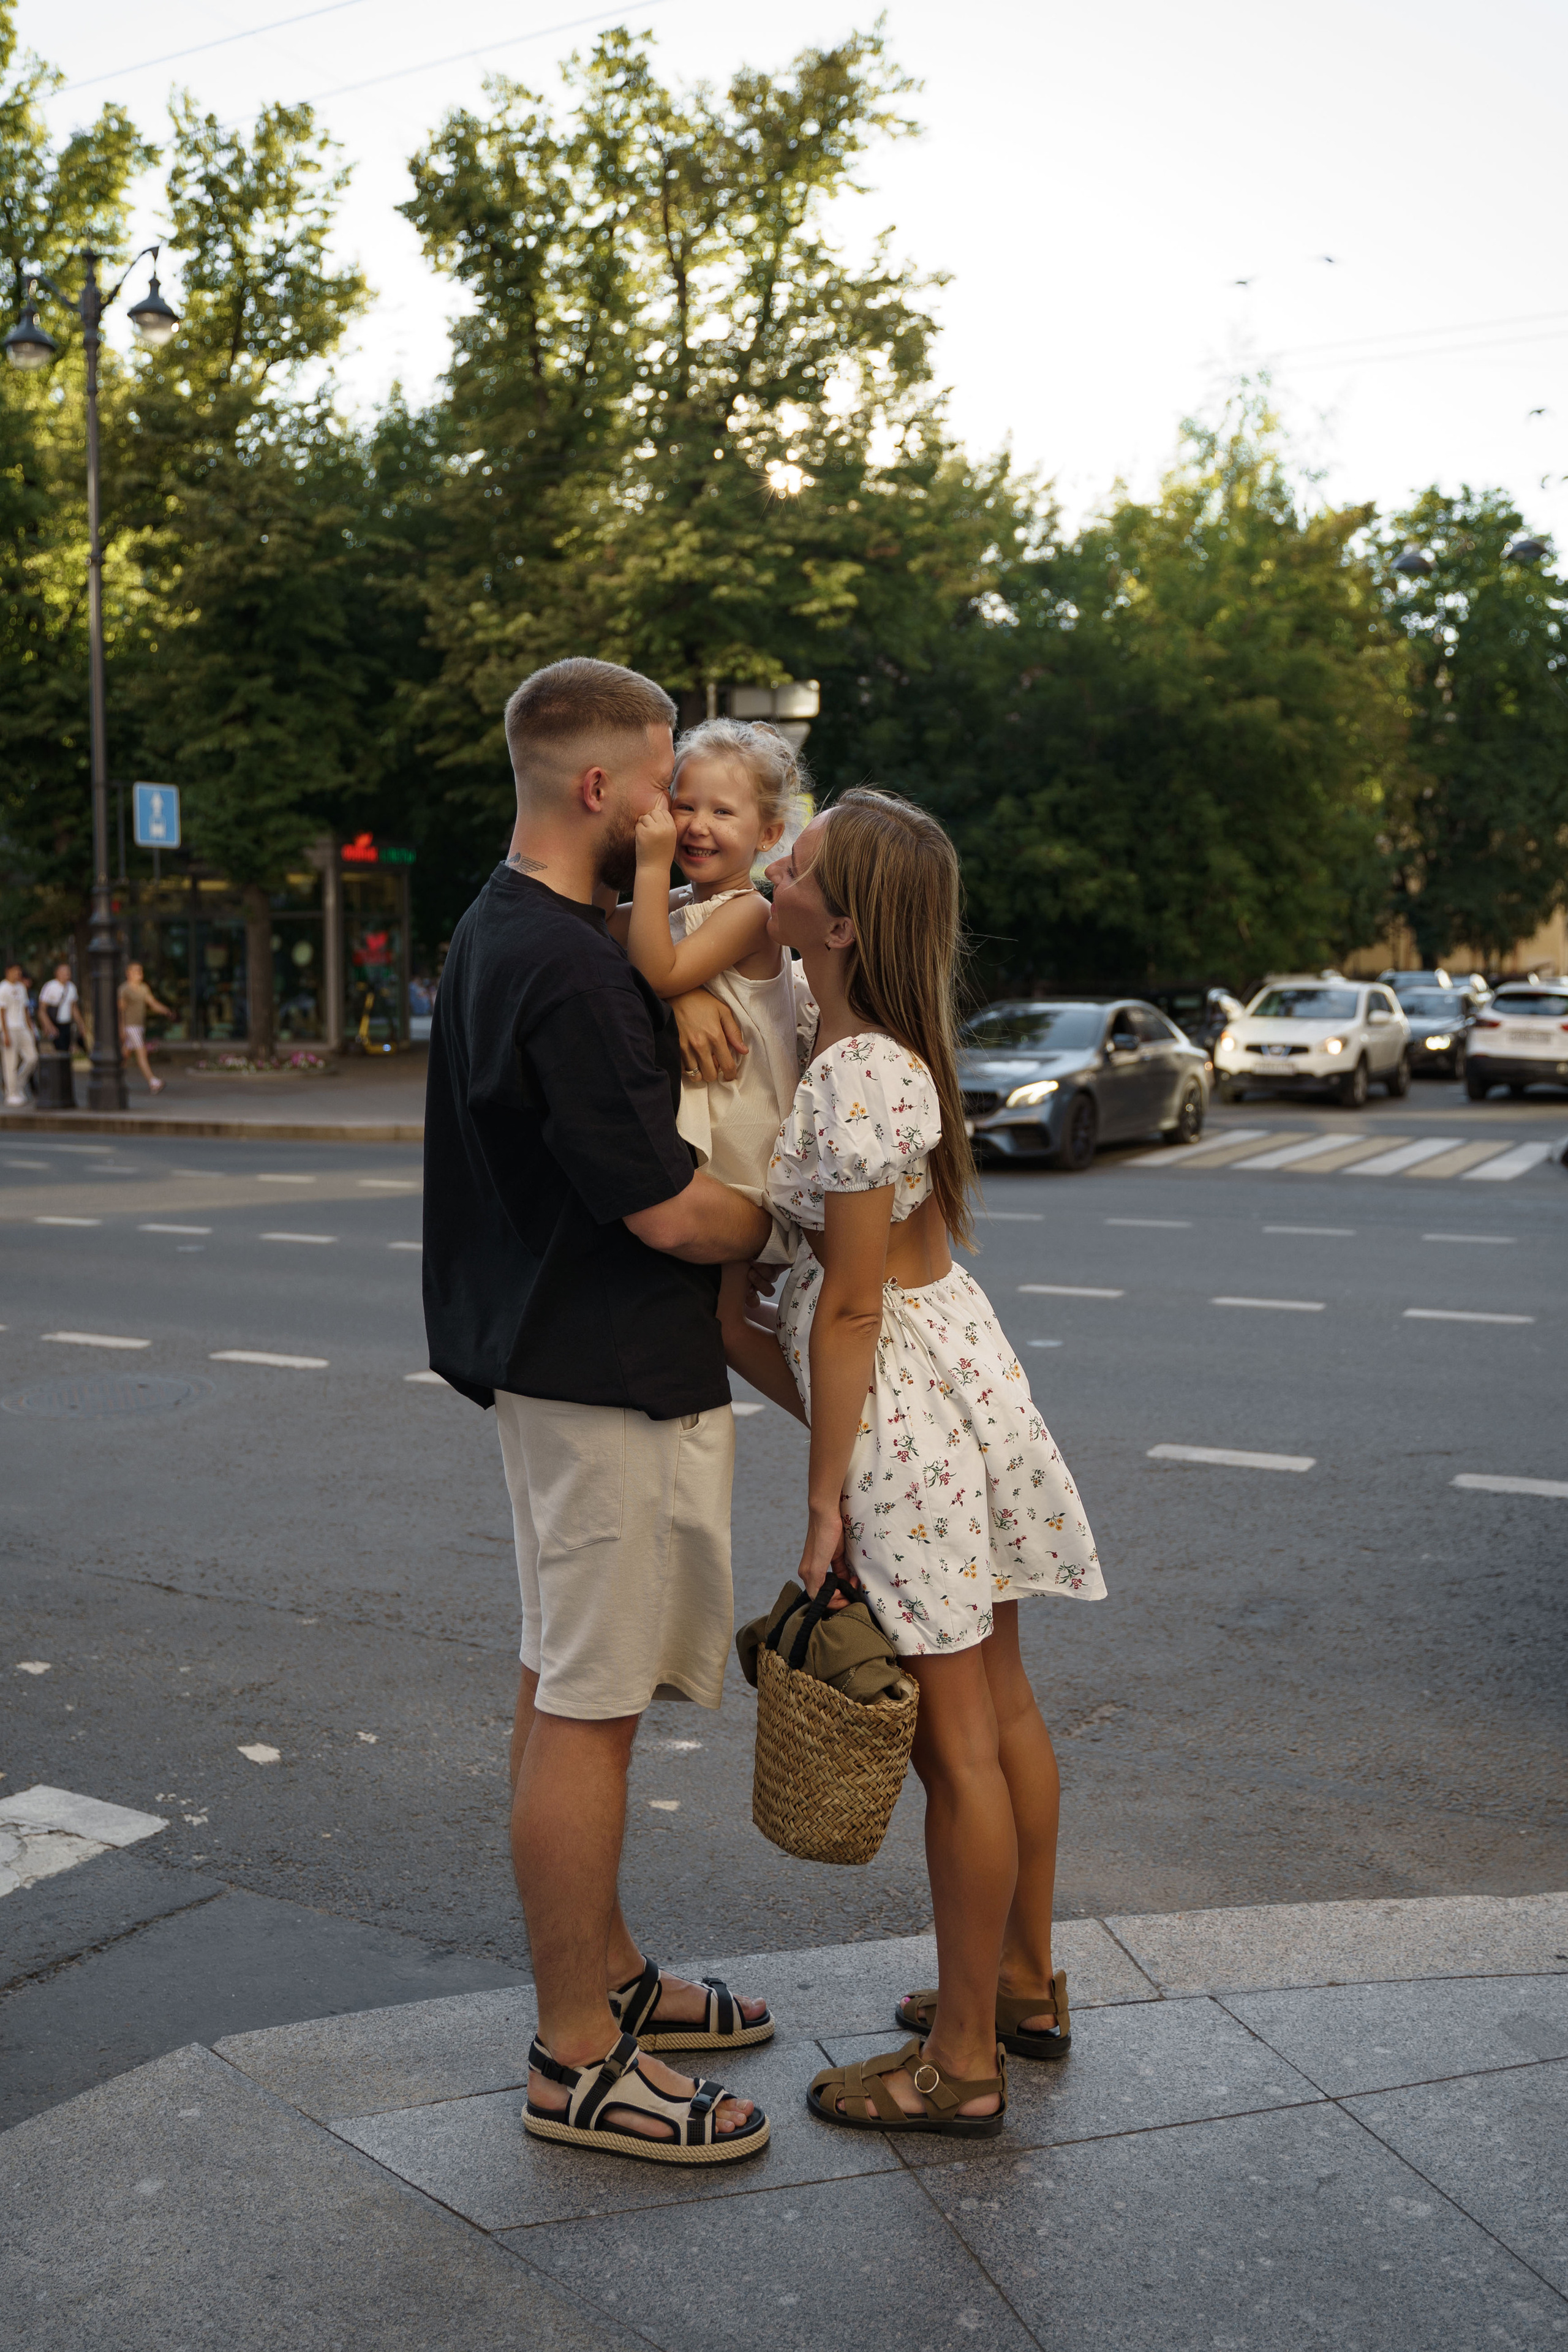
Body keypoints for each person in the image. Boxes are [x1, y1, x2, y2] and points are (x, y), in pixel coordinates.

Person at [421, 656, 777, 2169]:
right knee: (589, 1709)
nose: (677, 806)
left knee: (564, 1676)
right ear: (598, 790)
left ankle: (612, 1970)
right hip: (603, 1375)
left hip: (555, 1362)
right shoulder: (565, 961)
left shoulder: (518, 927)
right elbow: (669, 1211)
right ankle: (575, 2053)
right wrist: (793, 1224)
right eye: (658, 779)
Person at [726, 789, 1106, 2141]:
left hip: (900, 1408)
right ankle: (1018, 1984)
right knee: (995, 1708)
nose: (774, 861)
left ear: (838, 918)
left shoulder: (849, 1068)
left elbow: (844, 1307)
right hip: (958, 1378)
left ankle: (958, 2064)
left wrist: (822, 1496)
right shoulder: (880, 1049)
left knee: (956, 1746)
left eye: (799, 860)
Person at [614, 717, 814, 1335]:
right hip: (715, 1144)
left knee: (725, 1323)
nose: (698, 825)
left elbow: (654, 970)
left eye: (723, 812)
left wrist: (650, 867)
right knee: (721, 1322)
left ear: (768, 834)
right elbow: (594, 933)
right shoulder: (682, 906)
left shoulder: (749, 911)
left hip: (741, 1148)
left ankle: (844, 1421)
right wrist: (681, 994)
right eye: (683, 805)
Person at [118, 962, 170, 1094]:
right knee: (142, 1052)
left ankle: (114, 1078)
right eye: (136, 972)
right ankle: (153, 1081)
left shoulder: (143, 988)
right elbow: (121, 1011)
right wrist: (122, 1027)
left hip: (140, 1025)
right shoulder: (124, 989)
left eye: (140, 971)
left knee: (125, 1054)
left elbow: (152, 1003)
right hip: (130, 1026)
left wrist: (165, 1010)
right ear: (128, 973)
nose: (139, 974)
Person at [1, 962, 39, 1106]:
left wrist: (32, 1030)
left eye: (19, 971)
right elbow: (2, 1014)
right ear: (8, 972)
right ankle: (11, 1094)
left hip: (23, 1027)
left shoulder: (22, 987)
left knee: (32, 1058)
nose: (18, 974)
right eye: (15, 971)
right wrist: (5, 1034)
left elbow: (25, 1010)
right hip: (9, 1028)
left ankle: (18, 1084)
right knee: (10, 1063)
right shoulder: (3, 988)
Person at [38, 962, 79, 1058]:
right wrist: (48, 1025)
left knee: (66, 1050)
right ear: (58, 973)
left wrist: (80, 1025)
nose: (67, 974)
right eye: (65, 972)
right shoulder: (50, 986)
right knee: (59, 1051)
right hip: (55, 1023)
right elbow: (42, 1009)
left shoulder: (72, 987)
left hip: (67, 1023)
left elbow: (74, 1008)